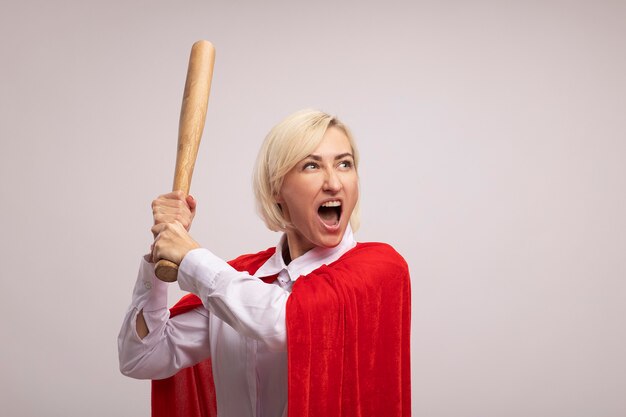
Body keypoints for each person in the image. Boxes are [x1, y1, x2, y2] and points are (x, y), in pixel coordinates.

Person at [118, 109, 411, 417]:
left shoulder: (380, 269)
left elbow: (286, 322)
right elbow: (141, 357)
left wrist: (189, 256)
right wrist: (162, 250)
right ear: (276, 190)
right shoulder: (241, 280)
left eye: (344, 164)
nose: (334, 183)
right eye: (312, 165)